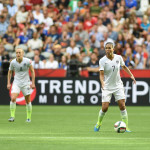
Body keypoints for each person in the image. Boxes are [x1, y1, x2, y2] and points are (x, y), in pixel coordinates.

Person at [94, 40, 136, 132]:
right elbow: (101, 74)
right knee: (105, 108)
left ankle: (126, 127)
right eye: (106, 48)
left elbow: (124, 67)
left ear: (113, 49)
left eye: (109, 48)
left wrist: (131, 75)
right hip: (107, 86)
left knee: (122, 105)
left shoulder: (118, 58)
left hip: (118, 86)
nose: (108, 50)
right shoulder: (102, 60)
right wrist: (102, 82)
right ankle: (98, 123)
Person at [7, 48, 35, 122]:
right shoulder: (13, 62)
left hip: (26, 83)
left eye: (19, 52)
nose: (18, 54)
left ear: (22, 54)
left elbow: (32, 71)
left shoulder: (27, 61)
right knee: (13, 98)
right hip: (16, 82)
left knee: (28, 101)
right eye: (17, 53)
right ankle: (12, 116)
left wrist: (33, 83)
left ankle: (28, 118)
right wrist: (8, 83)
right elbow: (9, 72)